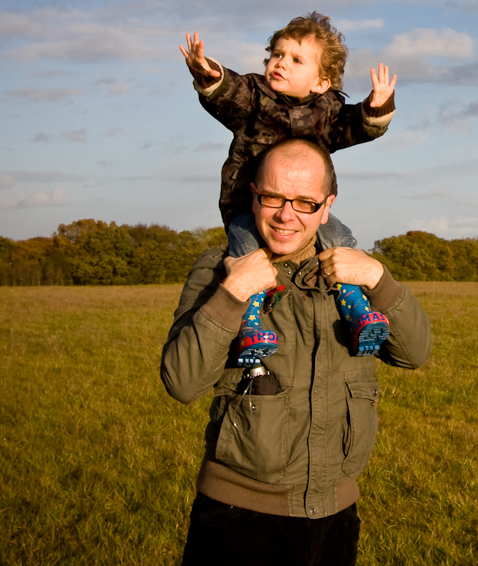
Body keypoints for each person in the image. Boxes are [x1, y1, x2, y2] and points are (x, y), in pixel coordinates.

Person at [160, 139, 432, 566]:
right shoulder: (219, 270)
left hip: (336, 515)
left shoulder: (354, 275)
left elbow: (414, 353)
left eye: (306, 202)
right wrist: (233, 293)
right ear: (254, 194)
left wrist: (380, 279)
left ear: (327, 206)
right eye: (273, 198)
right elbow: (181, 381)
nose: (287, 215)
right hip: (238, 520)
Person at [179, 12, 397, 363]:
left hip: (308, 214)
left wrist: (376, 107)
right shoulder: (253, 97)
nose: (281, 64)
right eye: (277, 55)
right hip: (248, 208)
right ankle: (249, 326)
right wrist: (208, 74)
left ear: (321, 82)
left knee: (340, 238)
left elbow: (354, 126)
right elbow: (228, 93)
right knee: (247, 255)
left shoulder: (329, 112)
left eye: (296, 60)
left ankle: (355, 309)